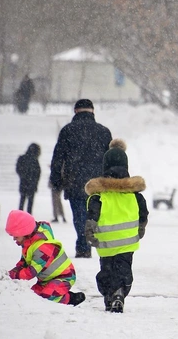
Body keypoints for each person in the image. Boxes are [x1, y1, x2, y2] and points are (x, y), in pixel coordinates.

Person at [84, 139, 148, 313]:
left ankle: (108, 294)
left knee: (107, 270)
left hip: (105, 243)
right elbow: (143, 212)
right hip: (127, 243)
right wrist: (141, 227)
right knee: (124, 270)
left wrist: (89, 230)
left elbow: (93, 214)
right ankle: (119, 292)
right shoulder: (134, 195)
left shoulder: (99, 196)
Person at [50, 99, 112, 258]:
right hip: (97, 183)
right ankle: (91, 240)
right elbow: (110, 159)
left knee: (79, 215)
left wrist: (56, 180)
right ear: (93, 111)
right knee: (94, 214)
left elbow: (58, 157)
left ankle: (83, 245)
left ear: (75, 111)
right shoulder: (104, 132)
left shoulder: (68, 131)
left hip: (74, 181)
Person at [5, 209, 85, 306]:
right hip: (45, 280)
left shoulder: (43, 248)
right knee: (32, 297)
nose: (14, 239)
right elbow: (23, 264)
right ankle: (58, 295)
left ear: (25, 232)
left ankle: (71, 298)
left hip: (64, 277)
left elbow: (31, 272)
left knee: (47, 297)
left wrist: (12, 276)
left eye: (16, 236)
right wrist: (7, 275)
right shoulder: (28, 244)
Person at [16, 143, 41, 214]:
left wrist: (23, 177)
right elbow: (38, 173)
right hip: (31, 184)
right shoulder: (35, 161)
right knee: (30, 204)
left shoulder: (22, 158)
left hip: (24, 183)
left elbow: (18, 169)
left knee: (22, 201)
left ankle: (20, 216)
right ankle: (28, 217)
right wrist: (34, 181)